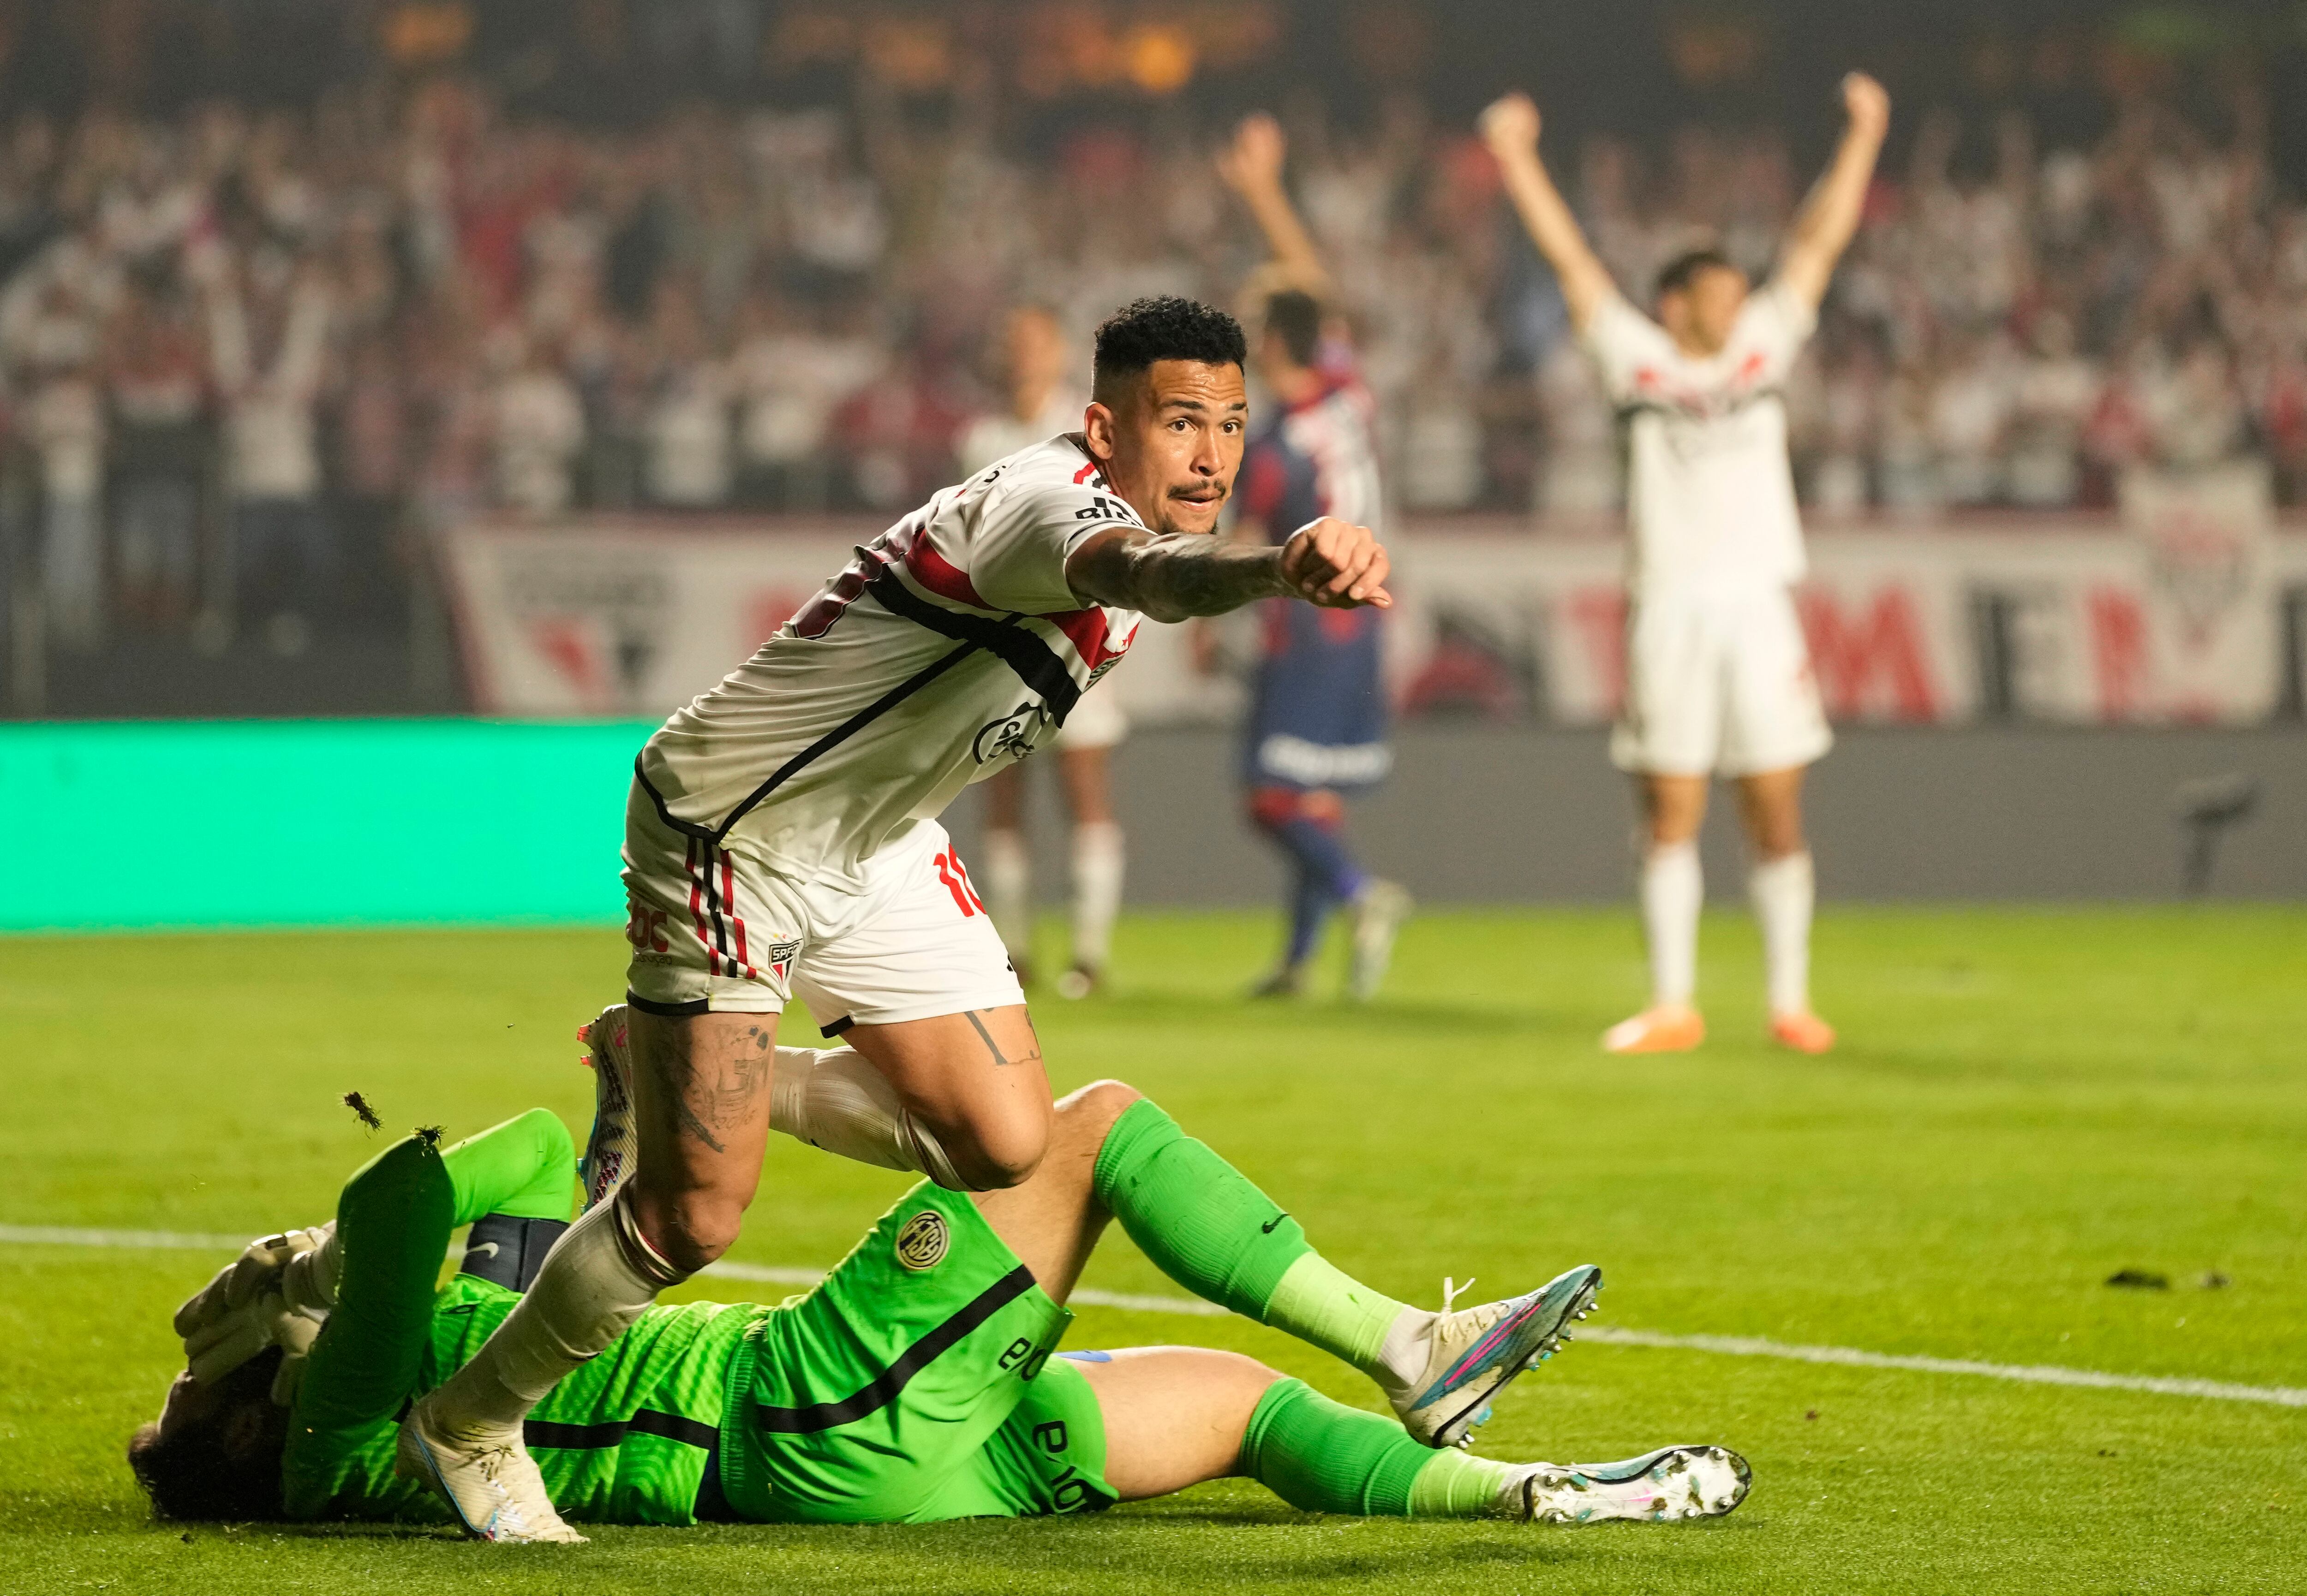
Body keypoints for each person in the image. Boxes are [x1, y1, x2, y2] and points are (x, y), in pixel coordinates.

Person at [397, 296, 1408, 1542]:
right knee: (689, 1215)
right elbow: (1151, 573)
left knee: (1003, 1141)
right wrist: (1274, 565)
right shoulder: (1058, 509)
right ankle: (469, 1419)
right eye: (1181, 421)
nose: (1210, 453)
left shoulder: (1137, 511)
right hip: (736, 825)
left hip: (871, 842)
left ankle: (676, 1067)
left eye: (1232, 425)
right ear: (1105, 426)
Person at [136, 1014, 1748, 1537]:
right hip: (808, 1408)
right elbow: (411, 1196)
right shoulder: (338, 1438)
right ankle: (1416, 1343)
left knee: (1252, 1409)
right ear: (246, 1410)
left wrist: (325, 1270)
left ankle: (1545, 1495)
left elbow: (537, 1169)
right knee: (1090, 1131)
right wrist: (323, 1259)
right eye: (196, 1375)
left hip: (882, 1460)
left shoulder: (404, 1356)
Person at [1479, 76, 1892, 1056]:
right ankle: (1674, 1001)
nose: (1739, 301)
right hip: (1667, 604)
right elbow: (1572, 259)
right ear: (1676, 302)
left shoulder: (1761, 345)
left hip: (1757, 603)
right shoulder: (1634, 354)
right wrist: (1514, 158)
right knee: (1669, 803)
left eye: (1739, 291)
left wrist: (1863, 135)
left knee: (1774, 801)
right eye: (1719, 291)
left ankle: (1789, 1002)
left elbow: (1816, 244)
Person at [1216, 114, 1411, 1001]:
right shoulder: (1349, 392)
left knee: (1269, 793)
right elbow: (1315, 295)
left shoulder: (1279, 438)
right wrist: (1263, 192)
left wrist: (1199, 615)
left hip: (1309, 622)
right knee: (1314, 796)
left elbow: (1244, 542)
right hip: (1368, 616)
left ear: (1273, 342)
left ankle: (1361, 895)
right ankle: (1299, 961)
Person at [956, 306, 1127, 998]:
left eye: (1035, 344)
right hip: (1005, 644)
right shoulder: (982, 437)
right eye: (1013, 343)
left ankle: (1089, 955)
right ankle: (1016, 950)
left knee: (1084, 792)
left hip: (1077, 634)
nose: (1022, 356)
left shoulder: (1090, 430)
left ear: (1060, 356)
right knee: (1003, 798)